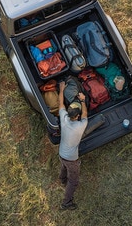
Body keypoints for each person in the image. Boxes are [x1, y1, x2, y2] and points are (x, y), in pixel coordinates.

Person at [57, 79, 88, 210]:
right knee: (74, 181)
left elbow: (60, 103)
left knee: (64, 166)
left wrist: (62, 89)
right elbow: (85, 114)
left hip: (62, 153)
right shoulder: (80, 126)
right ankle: (66, 202)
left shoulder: (64, 118)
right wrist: (82, 100)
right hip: (71, 158)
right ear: (77, 116)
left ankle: (62, 179)